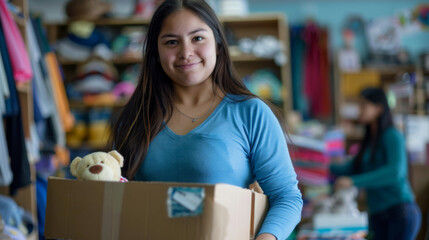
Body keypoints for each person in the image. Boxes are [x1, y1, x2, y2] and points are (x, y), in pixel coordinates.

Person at [109, 0, 303, 239]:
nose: (186, 52)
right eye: (171, 42)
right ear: (156, 53)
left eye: (197, 38)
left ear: (219, 45)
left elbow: (286, 197)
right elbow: (118, 198)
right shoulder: (133, 118)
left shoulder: (252, 113)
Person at [330, 88, 421, 240]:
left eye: (364, 106)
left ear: (379, 109)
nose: (359, 111)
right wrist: (319, 166)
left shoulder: (392, 135)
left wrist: (353, 181)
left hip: (399, 212)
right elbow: (351, 168)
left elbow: (395, 172)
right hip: (379, 214)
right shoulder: (369, 140)